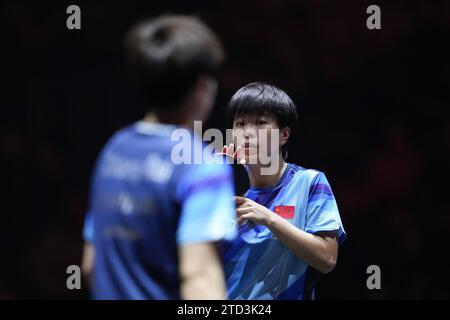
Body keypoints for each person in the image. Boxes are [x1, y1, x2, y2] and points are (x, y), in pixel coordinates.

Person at [81, 15, 236, 300]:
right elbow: (200, 283)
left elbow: (90, 266)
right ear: (202, 89)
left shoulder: (114, 150)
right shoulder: (201, 165)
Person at [221, 82, 346, 300]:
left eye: (260, 123)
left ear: (284, 135)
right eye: (240, 123)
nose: (248, 133)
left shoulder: (309, 183)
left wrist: (269, 218)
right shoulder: (222, 192)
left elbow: (327, 259)